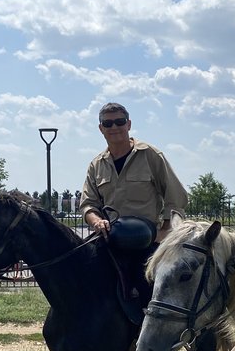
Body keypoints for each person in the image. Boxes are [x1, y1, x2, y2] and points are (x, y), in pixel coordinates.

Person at [81, 102, 189, 300]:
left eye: (119, 122)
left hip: (147, 243)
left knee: (151, 293)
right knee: (84, 284)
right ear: (101, 128)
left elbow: (176, 196)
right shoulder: (96, 165)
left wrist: (165, 230)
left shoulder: (150, 155)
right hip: (109, 241)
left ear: (129, 124)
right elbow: (88, 204)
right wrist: (96, 221)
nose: (114, 127)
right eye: (108, 123)